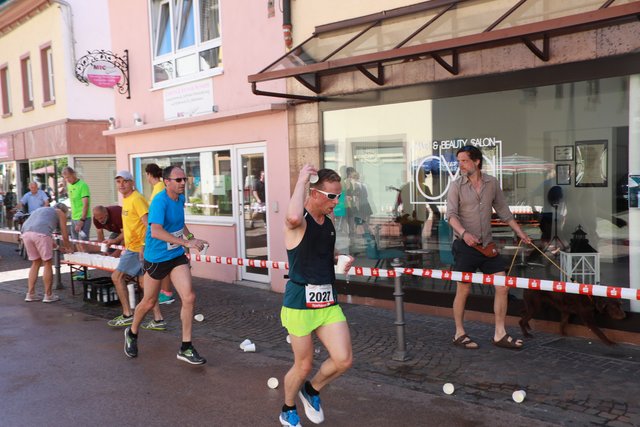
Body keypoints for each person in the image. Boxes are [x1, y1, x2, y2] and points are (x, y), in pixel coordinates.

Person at [279, 165, 354, 427]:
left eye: (339, 196)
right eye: (332, 196)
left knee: (344, 360)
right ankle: (288, 409)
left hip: (327, 302)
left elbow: (323, 255)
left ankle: (311, 390)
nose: (336, 202)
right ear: (314, 193)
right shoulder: (299, 222)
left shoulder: (328, 223)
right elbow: (292, 217)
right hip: (300, 303)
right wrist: (301, 179)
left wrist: (339, 259)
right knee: (303, 365)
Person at [446, 146, 531, 350]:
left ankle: (499, 334)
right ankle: (459, 333)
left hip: (486, 245)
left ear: (476, 161)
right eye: (458, 161)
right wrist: (464, 234)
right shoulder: (456, 186)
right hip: (464, 245)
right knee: (464, 288)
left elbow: (504, 211)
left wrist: (520, 233)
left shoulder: (492, 183)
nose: (460, 165)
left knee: (502, 286)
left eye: (464, 161)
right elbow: (451, 216)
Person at [124, 166, 209, 364]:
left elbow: (179, 224)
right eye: (178, 180)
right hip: (157, 257)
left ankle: (186, 347)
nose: (183, 183)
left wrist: (190, 237)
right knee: (149, 302)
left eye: (184, 179)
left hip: (176, 256)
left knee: (189, 297)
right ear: (167, 182)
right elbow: (156, 231)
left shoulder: (180, 198)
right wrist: (186, 243)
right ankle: (132, 332)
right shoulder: (159, 202)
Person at [108, 171, 165, 330]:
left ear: (132, 183)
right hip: (135, 247)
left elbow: (149, 224)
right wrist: (116, 240)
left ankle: (127, 315)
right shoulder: (127, 199)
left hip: (137, 248)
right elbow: (131, 227)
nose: (121, 184)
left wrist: (144, 245)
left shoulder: (137, 199)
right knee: (145, 284)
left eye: (125, 181)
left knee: (117, 277)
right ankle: (158, 319)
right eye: (118, 181)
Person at [21, 204, 72, 302]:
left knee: (35, 262)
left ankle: (30, 294)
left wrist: (57, 247)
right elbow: (64, 234)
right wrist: (68, 248)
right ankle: (48, 295)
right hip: (41, 234)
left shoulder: (41, 209)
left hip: (26, 233)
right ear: (64, 211)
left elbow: (39, 232)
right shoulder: (60, 212)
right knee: (47, 262)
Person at [145, 163, 175, 305]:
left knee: (164, 264)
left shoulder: (159, 189)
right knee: (165, 264)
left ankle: (166, 292)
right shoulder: (158, 188)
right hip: (161, 232)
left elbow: (159, 214)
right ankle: (164, 292)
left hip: (161, 233)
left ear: (149, 174)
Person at [62, 166, 91, 256]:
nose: (67, 180)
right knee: (76, 242)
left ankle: (86, 260)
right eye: (65, 178)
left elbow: (86, 204)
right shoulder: (69, 185)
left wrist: (82, 220)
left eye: (69, 177)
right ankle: (81, 260)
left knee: (83, 242)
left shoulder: (82, 185)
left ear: (73, 174)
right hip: (74, 217)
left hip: (83, 218)